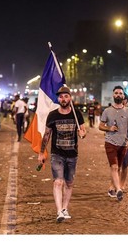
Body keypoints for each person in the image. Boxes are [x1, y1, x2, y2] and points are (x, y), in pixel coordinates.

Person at [37, 86, 86, 223]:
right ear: (58, 99)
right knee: (58, 182)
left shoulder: (76, 114)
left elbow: (83, 131)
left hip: (72, 154)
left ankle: (65, 208)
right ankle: (59, 211)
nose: (63, 99)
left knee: (69, 183)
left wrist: (82, 134)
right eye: (61, 97)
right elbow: (47, 135)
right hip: (57, 154)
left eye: (66, 96)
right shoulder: (53, 115)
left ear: (70, 98)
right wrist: (41, 152)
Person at [99, 85, 128, 202]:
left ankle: (114, 187)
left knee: (118, 167)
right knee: (114, 167)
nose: (118, 95)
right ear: (113, 95)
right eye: (116, 93)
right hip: (110, 142)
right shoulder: (107, 111)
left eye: (120, 93)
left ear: (123, 96)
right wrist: (109, 128)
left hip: (123, 144)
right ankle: (119, 189)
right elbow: (100, 126)